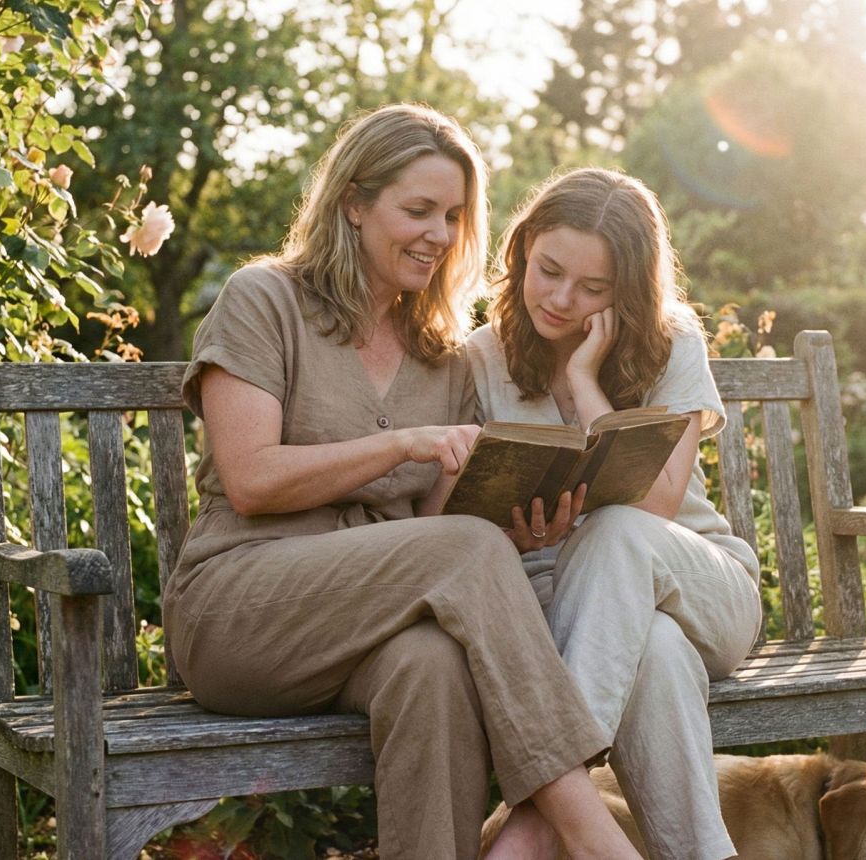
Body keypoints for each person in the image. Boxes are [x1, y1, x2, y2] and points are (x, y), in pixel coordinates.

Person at [167, 105, 639, 859]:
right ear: (354, 203)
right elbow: (250, 480)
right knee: (465, 554)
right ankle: (592, 836)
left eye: (453, 215)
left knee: (436, 667)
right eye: (418, 210)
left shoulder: (440, 354)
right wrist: (398, 449)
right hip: (242, 611)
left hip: (371, 626)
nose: (440, 234)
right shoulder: (266, 300)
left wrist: (509, 516)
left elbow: (437, 524)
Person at [467, 168, 764, 860]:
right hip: (569, 615)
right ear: (522, 252)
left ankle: (545, 806)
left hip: (704, 591)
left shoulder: (672, 340)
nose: (562, 299)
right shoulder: (482, 356)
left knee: (620, 527)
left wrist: (583, 379)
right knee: (654, 653)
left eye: (593, 289)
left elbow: (656, 500)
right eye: (548, 271)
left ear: (625, 293)